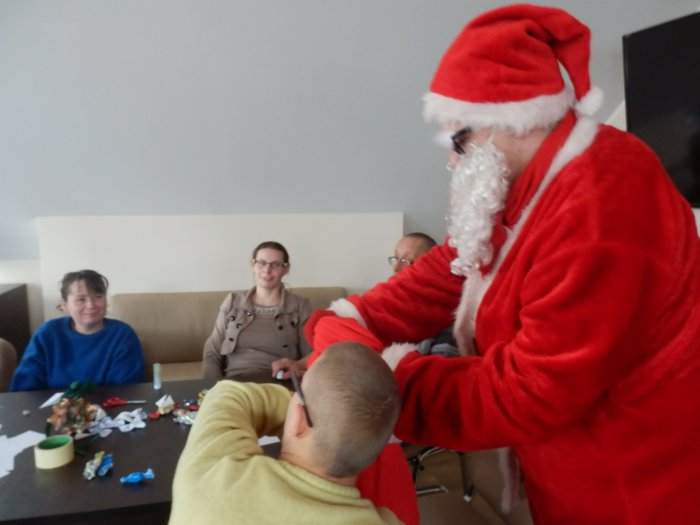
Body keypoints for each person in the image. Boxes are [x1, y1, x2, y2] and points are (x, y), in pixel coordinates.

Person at [303, 5, 700, 525]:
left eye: (459, 139)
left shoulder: (602, 199)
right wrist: (356, 317)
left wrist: (382, 385)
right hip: (568, 471)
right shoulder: (528, 185)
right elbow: (452, 263)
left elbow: (530, 391)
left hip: (636, 487)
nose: (452, 160)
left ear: (515, 117)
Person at [170, 342, 403, 525]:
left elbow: (226, 394)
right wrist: (334, 422)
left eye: (298, 387)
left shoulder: (211, 475)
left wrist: (315, 410)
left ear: (300, 419)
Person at [11, 269, 144, 391]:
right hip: (51, 408)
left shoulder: (122, 335)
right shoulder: (47, 333)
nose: (91, 305)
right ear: (65, 305)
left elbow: (127, 390)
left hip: (108, 407)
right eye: (81, 299)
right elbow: (24, 388)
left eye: (98, 296)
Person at [202, 241, 312, 382]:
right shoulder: (233, 301)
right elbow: (212, 351)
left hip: (279, 382)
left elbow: (311, 355)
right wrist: (213, 386)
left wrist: (296, 366)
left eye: (275, 264)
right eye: (262, 263)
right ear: (253, 265)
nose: (267, 270)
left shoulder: (300, 306)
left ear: (286, 269)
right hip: (234, 383)